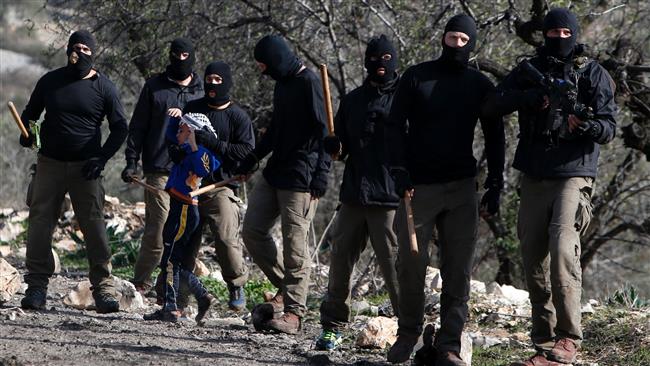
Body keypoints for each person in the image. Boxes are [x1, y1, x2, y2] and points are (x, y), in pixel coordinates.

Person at [482, 8, 617, 366]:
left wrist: (584, 125)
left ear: (573, 34)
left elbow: (608, 128)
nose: (558, 38)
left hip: (573, 173)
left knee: (561, 249)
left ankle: (569, 338)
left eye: (564, 32)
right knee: (532, 258)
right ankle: (543, 342)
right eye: (552, 31)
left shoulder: (593, 73)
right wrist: (527, 98)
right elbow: (493, 105)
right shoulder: (532, 70)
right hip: (534, 174)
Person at [385, 15, 505, 365]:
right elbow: (394, 126)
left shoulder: (479, 84)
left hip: (462, 189)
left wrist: (496, 183)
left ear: (472, 44)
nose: (456, 45)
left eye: (463, 40)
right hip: (417, 189)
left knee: (458, 268)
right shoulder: (416, 76)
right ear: (442, 38)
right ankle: (408, 332)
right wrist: (398, 168)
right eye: (451, 38)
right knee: (410, 262)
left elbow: (494, 136)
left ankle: (450, 344)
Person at [18, 30, 128, 313]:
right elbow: (30, 115)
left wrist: (101, 158)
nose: (79, 53)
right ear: (68, 50)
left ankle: (103, 289)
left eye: (85, 48)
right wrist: (28, 133)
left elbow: (120, 128)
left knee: (93, 226)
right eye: (75, 47)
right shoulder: (50, 81)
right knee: (41, 223)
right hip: (49, 165)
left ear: (93, 53)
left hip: (86, 169)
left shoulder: (105, 87)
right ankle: (37, 288)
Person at [236, 34, 331, 334]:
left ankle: (293, 313)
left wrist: (321, 173)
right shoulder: (283, 84)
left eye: (264, 65)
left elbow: (325, 132)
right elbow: (276, 128)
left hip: (302, 177)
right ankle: (287, 290)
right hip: (276, 171)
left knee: (295, 247)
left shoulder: (309, 83)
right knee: (252, 230)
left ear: (276, 60)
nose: (263, 72)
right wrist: (253, 157)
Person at [315, 35, 401, 351]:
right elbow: (343, 148)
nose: (381, 64)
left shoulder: (403, 100)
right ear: (367, 62)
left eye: (387, 58)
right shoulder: (352, 101)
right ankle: (332, 327)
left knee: (394, 268)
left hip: (389, 197)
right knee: (339, 263)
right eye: (375, 58)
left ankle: (408, 332)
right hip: (353, 195)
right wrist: (334, 147)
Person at [122, 37, 203, 295]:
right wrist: (132, 161)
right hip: (158, 169)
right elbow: (138, 127)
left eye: (185, 56)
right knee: (158, 229)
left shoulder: (202, 91)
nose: (180, 60)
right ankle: (141, 282)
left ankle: (170, 285)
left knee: (186, 232)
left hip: (191, 173)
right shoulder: (154, 87)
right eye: (175, 55)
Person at [180, 61, 255, 311]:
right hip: (189, 184)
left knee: (225, 235)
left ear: (227, 83)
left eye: (218, 80)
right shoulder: (192, 109)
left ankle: (236, 285)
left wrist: (214, 143)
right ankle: (178, 295)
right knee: (183, 239)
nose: (212, 84)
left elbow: (246, 153)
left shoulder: (238, 117)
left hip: (220, 186)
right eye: (208, 79)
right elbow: (177, 137)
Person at [143, 113, 220, 323]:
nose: (178, 132)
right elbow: (170, 137)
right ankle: (202, 296)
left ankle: (170, 307)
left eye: (182, 129)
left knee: (169, 261)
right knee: (175, 262)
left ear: (192, 132)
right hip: (178, 207)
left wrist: (195, 143)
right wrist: (173, 120)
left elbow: (203, 169)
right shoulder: (183, 151)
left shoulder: (203, 153)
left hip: (185, 210)